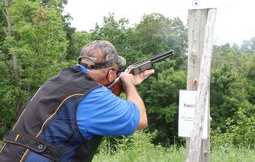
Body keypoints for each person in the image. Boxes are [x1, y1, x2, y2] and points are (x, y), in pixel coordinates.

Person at [0, 40, 154, 162]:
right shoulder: (92, 95)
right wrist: (129, 84)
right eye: (117, 70)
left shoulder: (58, 80)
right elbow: (140, 120)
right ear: (111, 74)